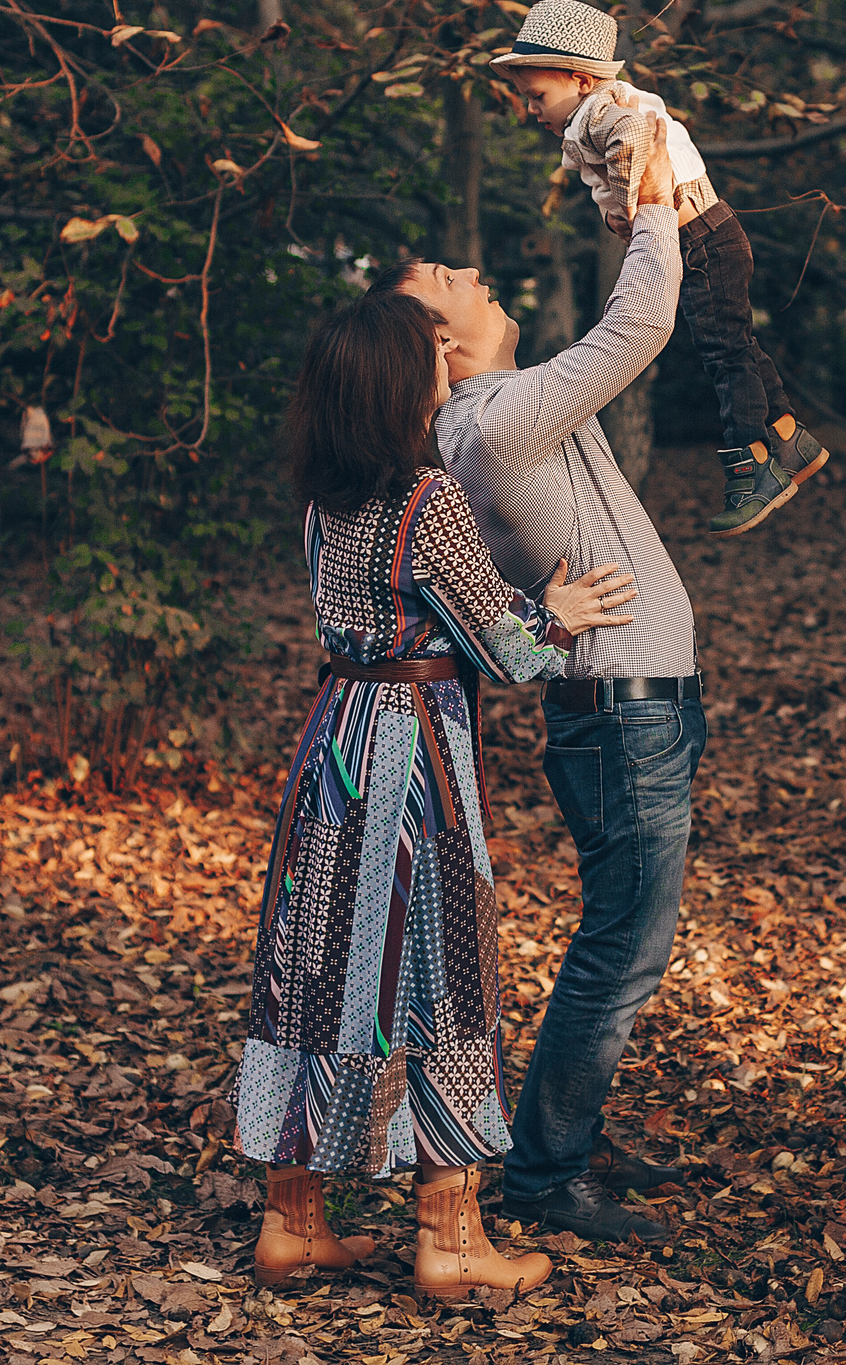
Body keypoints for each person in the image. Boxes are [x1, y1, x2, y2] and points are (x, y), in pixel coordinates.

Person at [232, 294, 639, 1300]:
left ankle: (293, 1225)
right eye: (428, 354)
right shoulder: (428, 499)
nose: (443, 360)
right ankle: (450, 1241)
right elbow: (502, 650)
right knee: (438, 969)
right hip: (411, 753)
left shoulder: (323, 500)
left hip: (331, 745)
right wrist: (555, 614)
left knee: (318, 965)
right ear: (396, 383)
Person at [386, 135, 701, 1243]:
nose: (468, 272)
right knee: (622, 945)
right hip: (622, 711)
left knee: (618, 936)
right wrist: (656, 205)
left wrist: (628, 211)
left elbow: (609, 335)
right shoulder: (491, 420)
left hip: (631, 706)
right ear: (436, 336)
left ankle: (565, 1133)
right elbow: (640, 329)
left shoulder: (508, 402)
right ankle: (547, 1176)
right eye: (445, 278)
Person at [488, 0, 828, 536]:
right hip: (714, 232)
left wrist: (632, 206)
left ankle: (756, 462)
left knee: (725, 354)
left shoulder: (599, 114)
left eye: (537, 96)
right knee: (736, 344)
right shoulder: (609, 104)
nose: (531, 109)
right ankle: (790, 438)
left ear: (579, 80)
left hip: (699, 239)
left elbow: (635, 140)